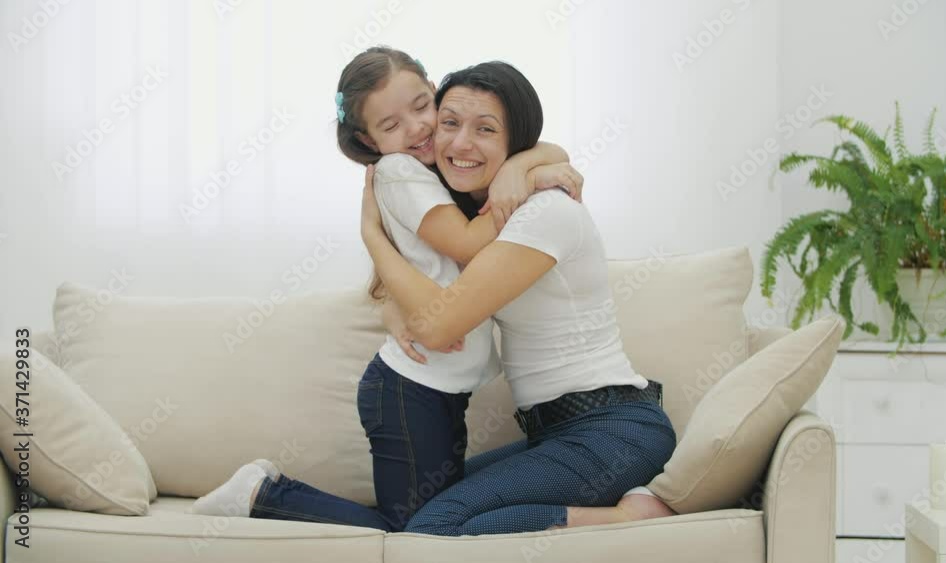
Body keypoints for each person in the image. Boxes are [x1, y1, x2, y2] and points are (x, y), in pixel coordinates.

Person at [189, 47, 580, 532]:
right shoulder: (399, 171)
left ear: (435, 91)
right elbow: (465, 242)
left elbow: (537, 147)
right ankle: (262, 495)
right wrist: (529, 182)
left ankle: (262, 492)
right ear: (366, 139)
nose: (416, 129)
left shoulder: (442, 167)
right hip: (409, 391)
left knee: (429, 522)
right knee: (416, 528)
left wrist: (528, 167)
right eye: (391, 125)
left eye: (422, 106)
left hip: (438, 389)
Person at [360, 61, 679, 537]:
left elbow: (437, 326)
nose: (460, 143)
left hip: (612, 433)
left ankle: (626, 517)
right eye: (450, 123)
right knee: (418, 513)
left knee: (433, 526)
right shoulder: (481, 217)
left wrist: (370, 234)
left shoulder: (544, 212)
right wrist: (523, 168)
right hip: (555, 434)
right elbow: (422, 288)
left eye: (485, 129)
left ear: (517, 139)